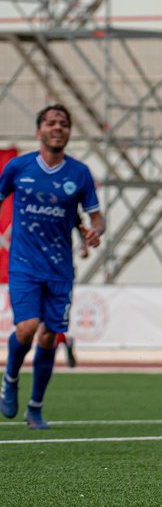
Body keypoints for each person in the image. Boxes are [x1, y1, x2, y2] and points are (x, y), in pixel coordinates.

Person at [0, 105, 104, 429]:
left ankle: (35, 407)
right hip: (24, 263)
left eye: (63, 123)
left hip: (60, 269)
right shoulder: (19, 167)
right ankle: (11, 377)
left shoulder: (80, 173)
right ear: (39, 131)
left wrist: (92, 231)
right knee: (27, 328)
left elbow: (95, 218)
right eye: (50, 122)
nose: (57, 127)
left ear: (68, 132)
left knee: (48, 338)